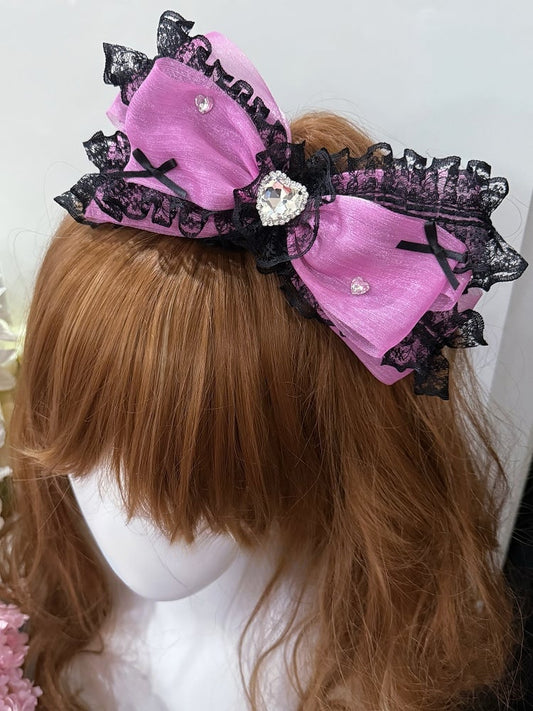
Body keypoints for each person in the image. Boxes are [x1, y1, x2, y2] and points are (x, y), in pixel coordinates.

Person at [0, 10, 527, 711]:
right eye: (89, 441)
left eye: (180, 469)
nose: (114, 511)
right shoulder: (66, 597)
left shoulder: (338, 680)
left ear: (314, 429)